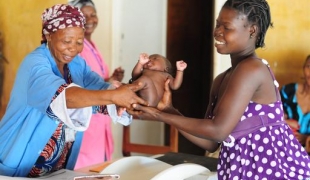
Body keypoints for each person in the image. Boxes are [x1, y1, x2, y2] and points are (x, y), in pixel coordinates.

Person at [129, 0, 310, 179]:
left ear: (252, 30)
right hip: (240, 171)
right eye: (217, 25)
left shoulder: (252, 69)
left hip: (273, 171)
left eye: (227, 27)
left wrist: (158, 115)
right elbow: (211, 142)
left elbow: (218, 130)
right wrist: (169, 110)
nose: (217, 32)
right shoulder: (221, 79)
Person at [0, 4, 147, 177]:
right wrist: (114, 96)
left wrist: (127, 97)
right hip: (19, 163)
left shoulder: (77, 65)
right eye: (66, 41)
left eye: (79, 42)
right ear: (48, 36)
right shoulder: (35, 63)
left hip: (57, 168)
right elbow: (64, 97)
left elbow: (100, 90)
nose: (73, 48)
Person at [69, 0, 124, 170]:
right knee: (86, 169)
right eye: (84, 16)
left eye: (93, 14)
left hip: (101, 120)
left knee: (101, 167)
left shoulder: (91, 45)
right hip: (87, 119)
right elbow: (78, 86)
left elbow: (95, 80)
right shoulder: (76, 48)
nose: (90, 19)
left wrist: (111, 78)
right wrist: (108, 84)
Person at [280, 55, 310, 150]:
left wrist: (306, 139)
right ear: (303, 68)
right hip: (283, 147)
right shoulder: (288, 91)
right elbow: (270, 115)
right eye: (309, 66)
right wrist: (284, 121)